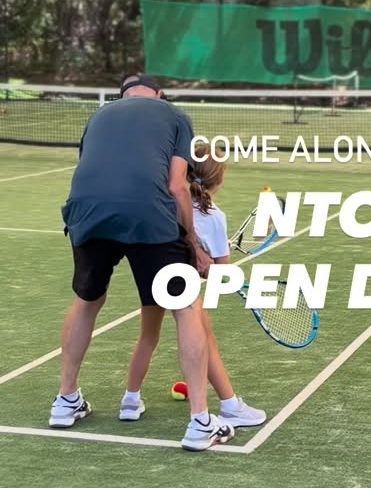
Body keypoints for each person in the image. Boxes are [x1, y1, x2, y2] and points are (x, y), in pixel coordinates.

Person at [50, 73, 232, 452]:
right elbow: (176, 185)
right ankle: (200, 421)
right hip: (149, 213)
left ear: (121, 95)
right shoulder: (176, 115)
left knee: (87, 301)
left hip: (87, 211)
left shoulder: (99, 116)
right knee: (185, 307)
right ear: (159, 95)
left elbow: (92, 169)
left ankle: (65, 400)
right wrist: (192, 242)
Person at [121, 141, 266, 427]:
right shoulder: (215, 218)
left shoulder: (163, 204)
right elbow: (220, 273)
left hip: (151, 273)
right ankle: (229, 405)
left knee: (147, 337)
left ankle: (130, 400)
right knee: (204, 339)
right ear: (220, 178)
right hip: (181, 285)